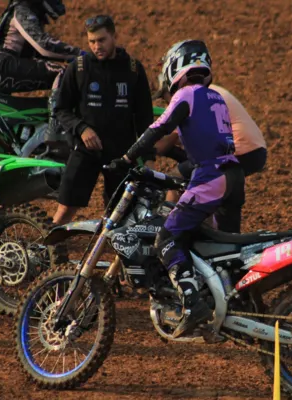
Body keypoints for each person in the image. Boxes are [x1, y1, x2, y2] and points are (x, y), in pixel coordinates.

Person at [107, 40, 245, 338]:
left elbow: (159, 128)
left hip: (211, 176)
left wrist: (127, 157)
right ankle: (234, 306)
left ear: (176, 67)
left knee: (167, 236)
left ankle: (193, 304)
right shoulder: (216, 97)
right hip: (234, 176)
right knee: (224, 247)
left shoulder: (187, 94)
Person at [52, 15, 154, 224]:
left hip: (122, 154)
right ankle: (48, 253)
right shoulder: (79, 68)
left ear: (114, 36)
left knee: (121, 215)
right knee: (65, 209)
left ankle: (114, 255)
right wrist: (81, 129)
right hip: (86, 149)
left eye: (101, 40)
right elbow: (61, 109)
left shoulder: (133, 69)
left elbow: (144, 117)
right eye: (91, 41)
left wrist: (149, 155)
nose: (96, 46)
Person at [153, 77, 267, 206]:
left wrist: (139, 144)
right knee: (212, 196)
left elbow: (161, 146)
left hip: (236, 150)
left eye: (164, 97)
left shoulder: (188, 97)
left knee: (175, 178)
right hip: (255, 151)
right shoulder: (209, 91)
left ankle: (165, 224)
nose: (166, 103)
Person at [0, 0, 80, 94]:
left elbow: (39, 52)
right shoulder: (22, 10)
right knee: (64, 73)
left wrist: (70, 58)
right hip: (4, 65)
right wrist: (80, 55)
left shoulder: (20, 10)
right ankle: (58, 109)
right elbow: (44, 46)